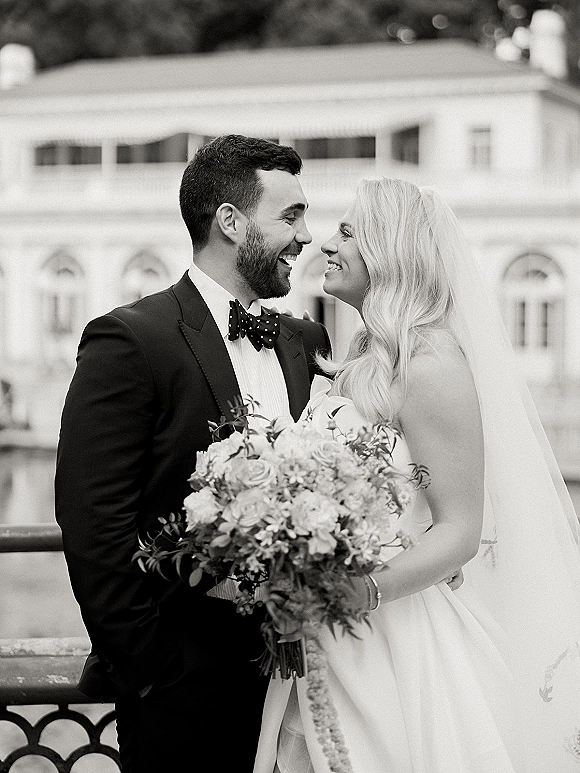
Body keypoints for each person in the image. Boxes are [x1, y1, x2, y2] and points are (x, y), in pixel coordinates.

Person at [253, 178, 580, 773]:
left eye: (348, 232)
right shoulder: (367, 357)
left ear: (392, 251)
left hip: (394, 635)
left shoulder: (431, 363)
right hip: (321, 633)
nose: (326, 243)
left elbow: (459, 530)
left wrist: (357, 591)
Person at [54, 134, 332, 773]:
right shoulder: (130, 339)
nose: (306, 236)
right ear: (231, 223)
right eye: (290, 217)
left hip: (306, 686)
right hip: (182, 692)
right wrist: (153, 669)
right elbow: (95, 527)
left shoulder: (304, 339)